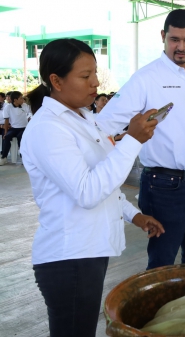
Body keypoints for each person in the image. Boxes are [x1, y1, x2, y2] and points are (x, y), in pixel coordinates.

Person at [19, 39, 163, 337]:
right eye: (85, 76)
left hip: (87, 251)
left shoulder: (84, 118)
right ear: (56, 81)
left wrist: (134, 215)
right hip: (68, 257)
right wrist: (132, 140)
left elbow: (103, 180)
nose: (95, 82)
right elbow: (87, 192)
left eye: (95, 73)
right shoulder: (48, 128)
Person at [96, 9, 185, 270]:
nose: (181, 47)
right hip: (166, 187)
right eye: (174, 39)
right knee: (162, 262)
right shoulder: (146, 78)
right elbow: (104, 125)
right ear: (163, 36)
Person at [0, 91, 31, 166]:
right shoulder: (8, 107)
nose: (23, 100)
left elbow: (31, 112)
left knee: (21, 137)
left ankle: (23, 158)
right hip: (13, 128)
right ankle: (4, 157)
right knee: (6, 137)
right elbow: (6, 120)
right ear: (15, 100)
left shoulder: (25, 106)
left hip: (24, 128)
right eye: (21, 98)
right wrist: (5, 132)